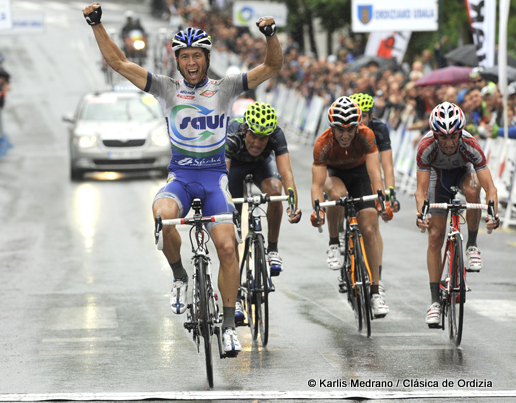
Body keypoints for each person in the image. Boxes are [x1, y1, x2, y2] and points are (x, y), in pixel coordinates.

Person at [83, 3, 282, 355]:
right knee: (161, 215)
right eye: (184, 56)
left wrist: (270, 36)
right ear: (177, 60)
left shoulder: (225, 87)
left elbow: (272, 66)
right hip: (181, 177)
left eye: (197, 56)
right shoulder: (165, 88)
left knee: (226, 246)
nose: (191, 63)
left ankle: (229, 323)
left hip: (214, 179)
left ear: (206, 58)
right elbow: (118, 63)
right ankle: (179, 277)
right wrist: (97, 24)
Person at [414, 102, 500, 327]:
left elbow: (490, 188)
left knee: (473, 189)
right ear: (435, 135)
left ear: (461, 133)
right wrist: (422, 214)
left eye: (454, 137)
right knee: (435, 237)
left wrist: (492, 214)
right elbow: (421, 191)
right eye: (444, 138)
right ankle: (434, 302)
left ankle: (471, 245)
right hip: (437, 178)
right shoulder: (426, 147)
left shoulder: (470, 144)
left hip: (463, 174)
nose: (450, 143)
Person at [310, 96, 390, 318]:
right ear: (332, 128)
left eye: (350, 129)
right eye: (340, 130)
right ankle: (334, 243)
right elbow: (316, 184)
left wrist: (381, 197)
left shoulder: (366, 135)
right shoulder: (323, 143)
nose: (345, 135)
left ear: (358, 127)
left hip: (360, 175)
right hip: (334, 176)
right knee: (337, 195)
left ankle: (375, 292)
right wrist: (317, 210)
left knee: (369, 227)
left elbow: (375, 173)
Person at [225, 102, 302, 323]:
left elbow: (286, 174)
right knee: (232, 231)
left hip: (261, 167)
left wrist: (293, 204)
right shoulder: (231, 133)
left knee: (276, 191)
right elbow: (222, 178)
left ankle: (273, 251)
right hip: (235, 170)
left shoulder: (277, 135)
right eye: (253, 136)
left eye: (263, 138)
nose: (258, 143)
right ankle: (235, 293)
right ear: (244, 130)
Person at [349, 93, 400, 295]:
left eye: (364, 117)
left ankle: (376, 273)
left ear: (371, 116)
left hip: (370, 174)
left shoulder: (379, 129)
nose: (360, 121)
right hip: (348, 171)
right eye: (357, 116)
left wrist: (391, 195)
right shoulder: (345, 127)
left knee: (373, 223)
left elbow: (387, 166)